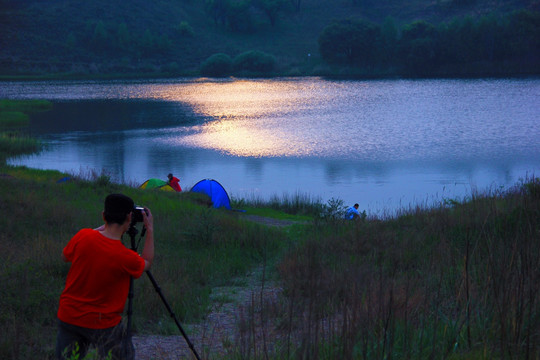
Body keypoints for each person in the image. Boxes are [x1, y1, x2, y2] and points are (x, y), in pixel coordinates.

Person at [55, 193, 154, 360]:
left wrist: (104, 227)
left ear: (103, 216)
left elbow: (65, 256)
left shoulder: (83, 236)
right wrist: (149, 229)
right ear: (129, 218)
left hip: (69, 316)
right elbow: (146, 262)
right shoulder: (126, 257)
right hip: (104, 323)